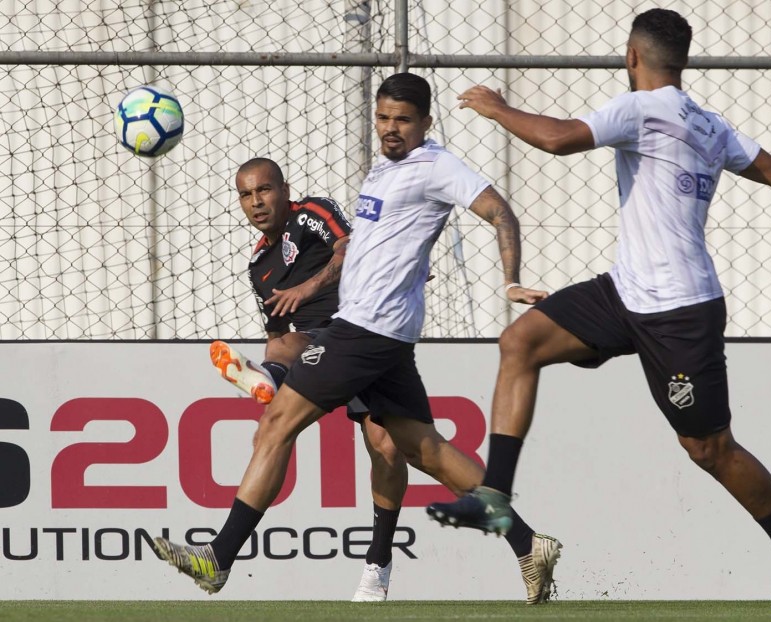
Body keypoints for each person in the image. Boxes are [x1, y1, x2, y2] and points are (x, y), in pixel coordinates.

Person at [426, 8, 771, 610]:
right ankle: (495, 496)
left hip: (681, 311)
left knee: (710, 449)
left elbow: (557, 140)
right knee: (520, 343)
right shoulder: (710, 124)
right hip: (625, 291)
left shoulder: (641, 108)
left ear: (633, 56)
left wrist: (496, 106)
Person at [154, 73, 563, 605]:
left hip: (366, 329)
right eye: (384, 118)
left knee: (277, 422)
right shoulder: (383, 168)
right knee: (428, 451)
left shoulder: (436, 166)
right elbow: (374, 243)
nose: (391, 129)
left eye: (403, 120)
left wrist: (510, 279)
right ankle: (530, 545)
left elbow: (499, 211)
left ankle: (219, 557)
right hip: (381, 330)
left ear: (426, 123)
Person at [206, 156, 407, 601]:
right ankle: (270, 380)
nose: (256, 202)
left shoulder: (311, 215)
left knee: (389, 448)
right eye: (245, 194)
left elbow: (348, 246)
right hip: (319, 348)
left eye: (264, 190)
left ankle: (378, 564)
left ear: (284, 189)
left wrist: (308, 288)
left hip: (364, 330)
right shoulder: (258, 265)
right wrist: (273, 368)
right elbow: (278, 335)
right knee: (285, 357)